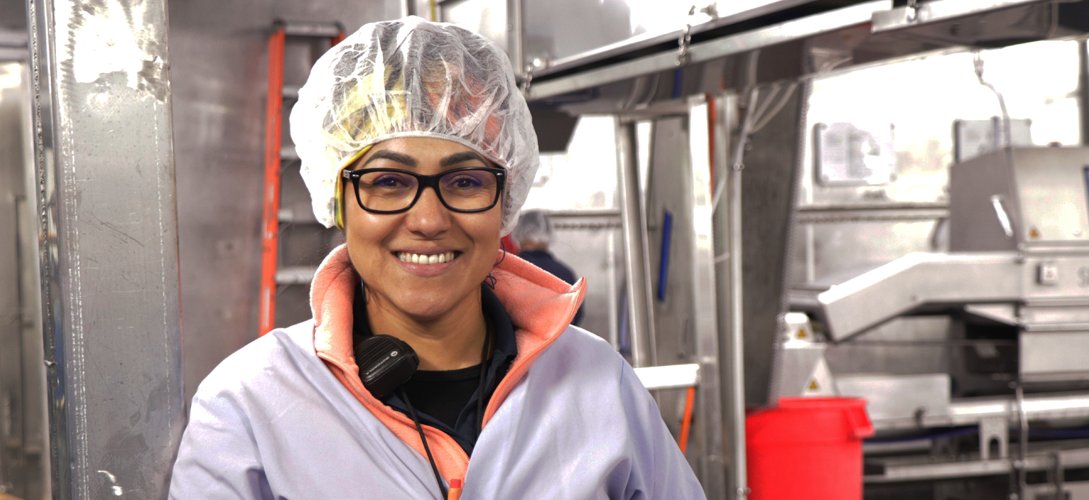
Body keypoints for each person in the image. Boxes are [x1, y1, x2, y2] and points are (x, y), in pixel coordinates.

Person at [169, 18, 704, 499]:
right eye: (388, 181)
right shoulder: (251, 404)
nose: (428, 220)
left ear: (507, 199)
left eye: (466, 180)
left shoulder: (596, 382)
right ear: (337, 200)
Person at [514, 210, 585, 326]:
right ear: (548, 234)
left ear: (518, 234)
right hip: (559, 342)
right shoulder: (565, 274)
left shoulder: (506, 271)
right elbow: (576, 316)